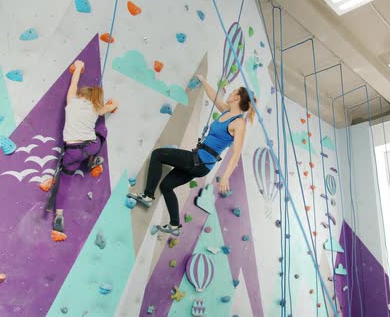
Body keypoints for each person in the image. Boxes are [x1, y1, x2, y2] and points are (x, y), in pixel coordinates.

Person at [127, 74, 256, 236]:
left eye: (233, 92)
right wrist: (203, 81)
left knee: (158, 154)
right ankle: (174, 225)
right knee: (166, 186)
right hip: (199, 162)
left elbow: (236, 153)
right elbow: (214, 96)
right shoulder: (226, 112)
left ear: (237, 98)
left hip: (201, 161)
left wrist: (225, 176)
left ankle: (147, 195)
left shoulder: (239, 123)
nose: (230, 93)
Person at [52, 60, 118, 233]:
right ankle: (94, 160)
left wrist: (79, 68)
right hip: (90, 147)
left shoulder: (71, 101)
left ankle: (59, 215)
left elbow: (73, 83)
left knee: (65, 182)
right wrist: (112, 104)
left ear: (81, 95)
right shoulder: (96, 108)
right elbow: (112, 106)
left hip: (72, 153)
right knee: (102, 129)